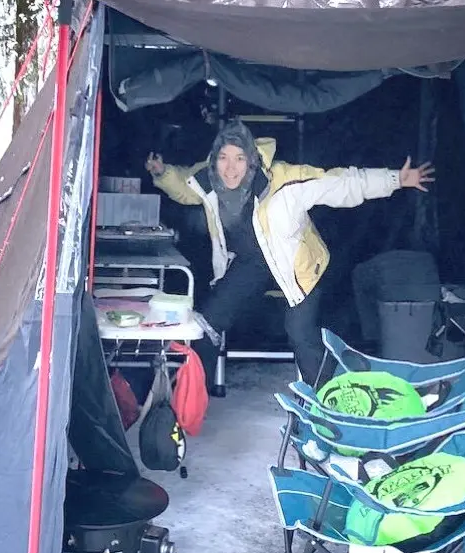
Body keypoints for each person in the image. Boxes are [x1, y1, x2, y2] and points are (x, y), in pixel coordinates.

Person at [146, 120, 435, 388]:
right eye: (223, 158)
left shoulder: (284, 181)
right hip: (251, 264)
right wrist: (163, 173)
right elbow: (185, 186)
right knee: (207, 322)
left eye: (239, 159)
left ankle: (325, 403)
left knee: (300, 332)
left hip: (298, 266)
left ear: (251, 160)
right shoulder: (209, 180)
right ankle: (193, 394)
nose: (230, 168)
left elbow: (341, 183)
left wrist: (396, 179)